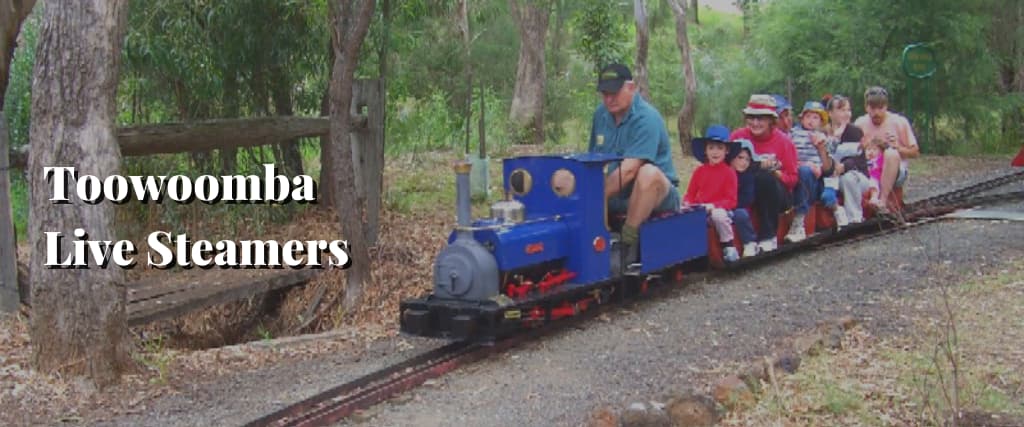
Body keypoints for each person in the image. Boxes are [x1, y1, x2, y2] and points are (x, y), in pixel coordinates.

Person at [588, 63, 680, 265]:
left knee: (647, 173)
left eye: (614, 92)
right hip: (615, 195)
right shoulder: (600, 116)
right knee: (567, 178)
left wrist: (593, 195)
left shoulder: (647, 118)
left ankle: (627, 244)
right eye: (604, 93)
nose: (609, 99)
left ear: (631, 87)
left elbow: (629, 171)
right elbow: (592, 160)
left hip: (654, 195)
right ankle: (594, 238)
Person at [730, 94, 798, 253]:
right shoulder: (738, 137)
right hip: (744, 189)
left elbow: (793, 179)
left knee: (764, 177)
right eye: (751, 118)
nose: (755, 123)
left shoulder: (783, 142)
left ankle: (768, 237)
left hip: (776, 193)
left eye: (760, 119)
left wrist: (776, 173)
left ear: (770, 120)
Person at [853, 86, 919, 210]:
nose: (876, 112)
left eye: (880, 108)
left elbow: (915, 152)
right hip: (869, 168)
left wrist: (897, 147)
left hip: (895, 169)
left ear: (886, 106)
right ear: (866, 107)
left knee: (890, 153)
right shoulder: (860, 123)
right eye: (872, 108)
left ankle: (882, 201)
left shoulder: (899, 122)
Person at [684, 125, 741, 262]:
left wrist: (713, 206)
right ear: (705, 150)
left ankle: (728, 246)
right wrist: (687, 203)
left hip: (722, 211)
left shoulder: (729, 172)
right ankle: (690, 253)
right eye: (711, 148)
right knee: (684, 214)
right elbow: (690, 194)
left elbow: (731, 201)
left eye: (719, 148)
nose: (715, 152)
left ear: (726, 151)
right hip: (701, 208)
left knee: (718, 215)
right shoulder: (700, 171)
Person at [785, 101, 834, 242]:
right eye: (808, 117)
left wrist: (821, 148)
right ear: (802, 119)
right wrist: (802, 164)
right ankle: (796, 222)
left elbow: (827, 168)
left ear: (821, 122)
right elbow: (787, 155)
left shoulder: (823, 138)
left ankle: (799, 222)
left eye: (815, 118)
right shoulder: (793, 134)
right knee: (803, 170)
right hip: (796, 170)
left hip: (815, 179)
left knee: (807, 173)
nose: (811, 121)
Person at [825, 94, 866, 227]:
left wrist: (843, 166)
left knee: (848, 178)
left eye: (848, 110)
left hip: (855, 175)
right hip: (830, 176)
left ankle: (855, 218)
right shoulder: (823, 132)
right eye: (842, 110)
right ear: (830, 113)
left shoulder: (854, 132)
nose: (846, 114)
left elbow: (858, 160)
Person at [731, 139, 760, 257]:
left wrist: (731, 205)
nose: (743, 162)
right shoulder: (725, 172)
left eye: (747, 159)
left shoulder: (747, 177)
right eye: (740, 157)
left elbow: (747, 198)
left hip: (739, 206)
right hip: (721, 206)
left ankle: (750, 242)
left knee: (740, 214)